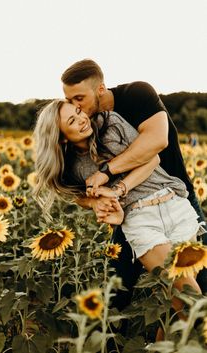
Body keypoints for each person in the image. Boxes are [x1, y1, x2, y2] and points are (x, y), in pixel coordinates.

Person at [33, 99, 203, 325]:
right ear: (62, 136)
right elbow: (79, 196)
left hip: (176, 204)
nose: (82, 119)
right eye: (72, 121)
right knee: (192, 299)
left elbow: (152, 157)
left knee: (177, 305)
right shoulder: (73, 167)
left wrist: (117, 188)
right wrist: (96, 203)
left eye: (78, 111)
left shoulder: (109, 123)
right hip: (140, 220)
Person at [60, 59, 207, 294]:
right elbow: (72, 183)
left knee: (195, 283)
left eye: (79, 99)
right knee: (119, 285)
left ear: (100, 89)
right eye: (69, 100)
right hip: (132, 210)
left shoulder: (137, 94)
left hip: (176, 195)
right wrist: (94, 200)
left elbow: (157, 141)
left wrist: (106, 173)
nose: (75, 106)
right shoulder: (89, 125)